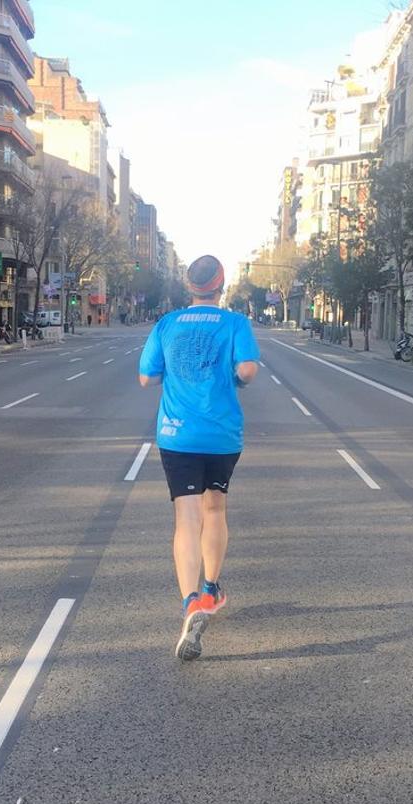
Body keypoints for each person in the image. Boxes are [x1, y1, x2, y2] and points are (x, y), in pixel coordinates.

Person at [138, 255, 260, 661]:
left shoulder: (166, 324)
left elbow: (146, 378)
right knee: (217, 508)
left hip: (177, 434)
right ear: (221, 287)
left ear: (188, 287)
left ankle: (190, 600)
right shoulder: (235, 323)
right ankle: (211, 588)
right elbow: (247, 370)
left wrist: (173, 374)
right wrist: (233, 376)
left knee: (186, 518)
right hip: (222, 435)